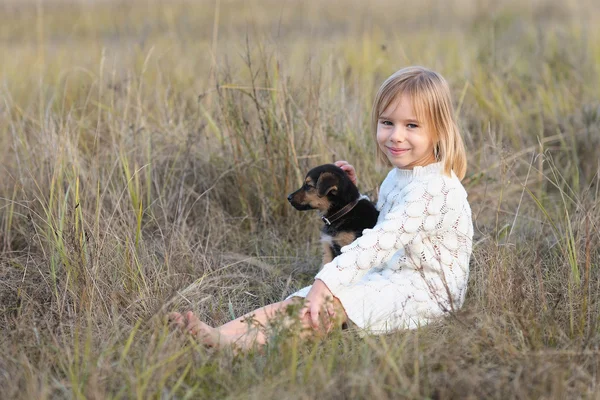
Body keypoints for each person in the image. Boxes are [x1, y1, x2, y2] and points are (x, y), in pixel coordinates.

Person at [169, 66, 473, 350]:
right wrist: (355, 198)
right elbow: (388, 220)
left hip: (426, 293)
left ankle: (235, 346)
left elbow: (381, 242)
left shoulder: (435, 188)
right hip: (389, 273)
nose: (396, 135)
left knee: (325, 305)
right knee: (303, 298)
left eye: (412, 125)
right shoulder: (400, 175)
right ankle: (222, 334)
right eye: (387, 122)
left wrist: (326, 281)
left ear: (438, 131)